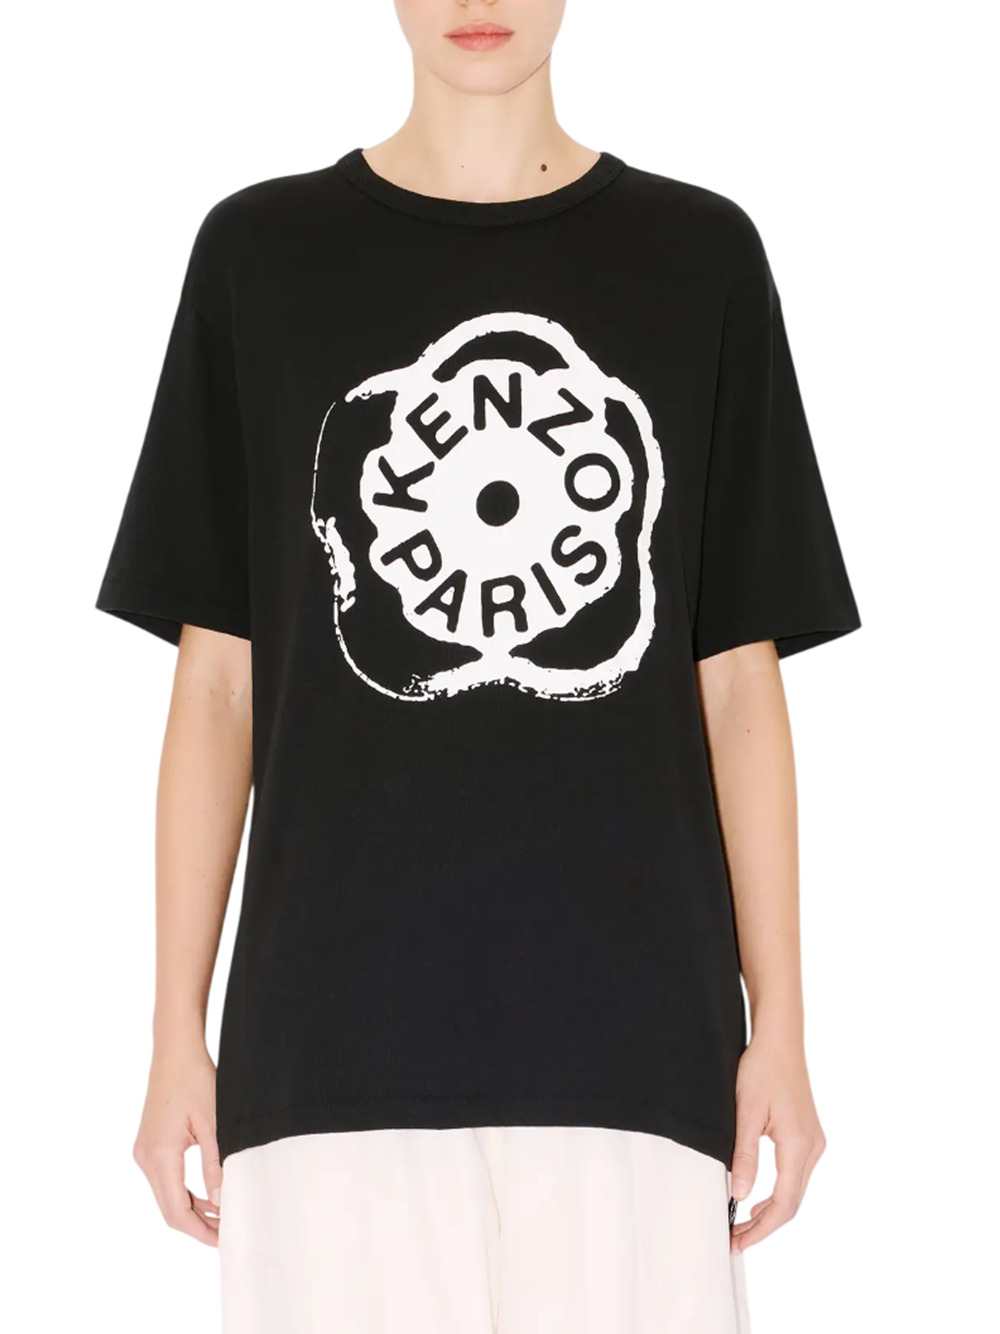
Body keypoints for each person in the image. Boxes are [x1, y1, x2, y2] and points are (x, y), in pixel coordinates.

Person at [96, 1, 860, 1329]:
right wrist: (176, 1031)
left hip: (637, 1049)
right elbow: (218, 681)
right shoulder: (261, 258)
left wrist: (781, 1027)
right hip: (326, 1049)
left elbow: (738, 680)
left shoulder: (699, 259)